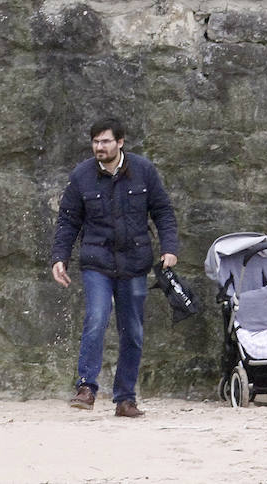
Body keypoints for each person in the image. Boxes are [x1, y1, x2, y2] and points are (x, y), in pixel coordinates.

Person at [50, 117, 180, 418]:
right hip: (97, 261)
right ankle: (86, 387)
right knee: (96, 318)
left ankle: (125, 398)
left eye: (105, 141)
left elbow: (163, 211)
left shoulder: (143, 170)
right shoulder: (82, 175)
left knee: (132, 331)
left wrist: (169, 248)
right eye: (95, 141)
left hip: (135, 262)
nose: (99, 147)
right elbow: (68, 220)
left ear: (120, 142)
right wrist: (60, 257)